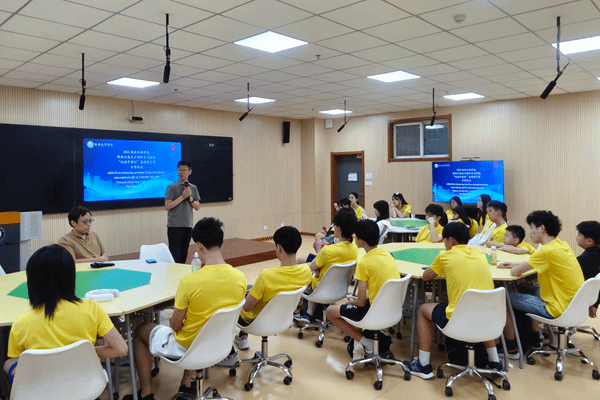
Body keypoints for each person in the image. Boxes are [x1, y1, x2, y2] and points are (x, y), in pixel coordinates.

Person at [123, 218, 246, 400]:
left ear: (199, 246)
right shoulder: (240, 277)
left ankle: (146, 393)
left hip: (189, 348)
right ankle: (186, 384)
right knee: (199, 325)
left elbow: (174, 326)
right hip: (219, 344)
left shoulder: (189, 282)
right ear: (222, 242)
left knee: (140, 332)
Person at [3, 245, 128, 386]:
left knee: (9, 363)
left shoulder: (20, 323)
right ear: (71, 278)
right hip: (86, 385)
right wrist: (90, 351)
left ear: (31, 283)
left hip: (42, 387)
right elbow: (121, 349)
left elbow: (18, 361)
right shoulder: (92, 309)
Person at [404, 223, 499, 379]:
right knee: (481, 306)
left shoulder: (445, 256)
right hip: (488, 319)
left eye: (444, 240)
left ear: (451, 241)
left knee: (423, 310)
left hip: (459, 320)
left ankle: (423, 364)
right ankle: (495, 361)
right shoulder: (480, 254)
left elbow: (426, 276)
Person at [497, 211, 584, 358]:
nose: (530, 232)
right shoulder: (562, 244)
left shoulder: (545, 251)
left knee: (502, 296)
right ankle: (534, 337)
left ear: (541, 228)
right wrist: (516, 263)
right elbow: (536, 262)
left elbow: (514, 273)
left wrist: (515, 266)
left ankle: (511, 347)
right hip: (572, 303)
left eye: (531, 227)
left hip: (557, 308)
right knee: (523, 287)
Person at [326, 219, 400, 364]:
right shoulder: (388, 256)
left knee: (330, 311)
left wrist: (355, 301)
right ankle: (361, 344)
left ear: (361, 241)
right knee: (353, 308)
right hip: (392, 309)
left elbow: (360, 302)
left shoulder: (364, 262)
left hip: (374, 312)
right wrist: (359, 301)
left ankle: (366, 343)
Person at [235, 226, 312, 350]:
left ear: (279, 248)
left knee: (240, 293)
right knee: (252, 288)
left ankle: (238, 342)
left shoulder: (266, 276)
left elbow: (247, 308)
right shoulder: (306, 271)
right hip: (284, 317)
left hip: (258, 321)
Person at [296, 208, 359, 323]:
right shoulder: (354, 248)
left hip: (322, 286)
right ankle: (309, 314)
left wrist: (318, 241)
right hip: (340, 288)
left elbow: (313, 264)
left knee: (302, 270)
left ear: (339, 228)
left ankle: (301, 308)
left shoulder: (328, 251)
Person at [165, 161, 201, 264]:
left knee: (184, 252)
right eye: (180, 170)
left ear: (189, 172)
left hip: (188, 225)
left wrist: (190, 199)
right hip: (174, 226)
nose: (181, 172)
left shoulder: (193, 188)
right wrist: (182, 197)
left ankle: (181, 272)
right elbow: (167, 206)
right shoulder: (172, 187)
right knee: (174, 253)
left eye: (184, 170)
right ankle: (174, 273)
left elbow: (197, 207)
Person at [575, 221, 600, 318]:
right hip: (591, 300)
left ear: (589, 240)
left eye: (579, 235)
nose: (577, 237)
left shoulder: (583, 259)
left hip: (577, 301)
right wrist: (595, 304)